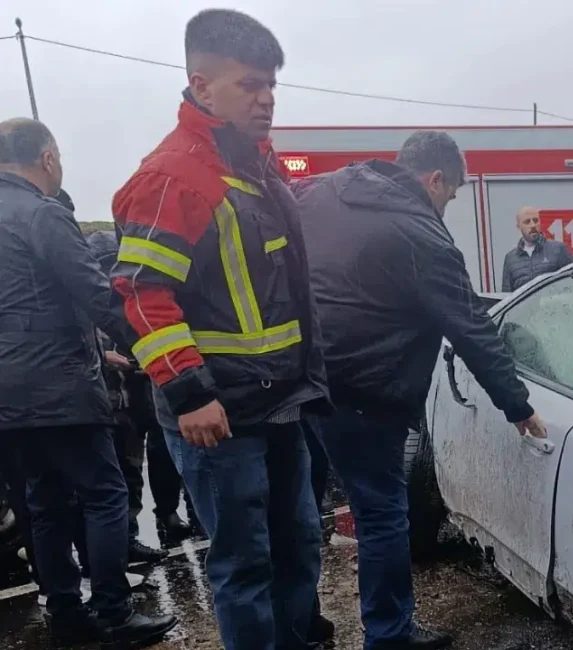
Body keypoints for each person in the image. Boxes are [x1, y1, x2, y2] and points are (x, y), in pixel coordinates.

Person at [109, 10, 332, 650]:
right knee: (245, 565)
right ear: (202, 87)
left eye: (271, 85)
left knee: (299, 544)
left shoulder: (254, 165)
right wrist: (189, 394)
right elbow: (142, 293)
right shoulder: (172, 177)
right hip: (219, 415)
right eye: (250, 85)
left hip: (279, 402)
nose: (266, 99)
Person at [295, 130, 547, 650]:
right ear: (434, 179)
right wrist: (517, 405)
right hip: (366, 396)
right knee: (382, 516)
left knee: (297, 514)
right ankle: (389, 634)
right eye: (450, 194)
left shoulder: (321, 190)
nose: (446, 205)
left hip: (298, 382)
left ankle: (299, 627)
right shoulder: (422, 234)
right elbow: (471, 327)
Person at [0, 117, 178, 648]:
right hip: (59, 384)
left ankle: (65, 614)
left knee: (45, 502)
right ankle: (114, 612)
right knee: (104, 494)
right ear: (48, 157)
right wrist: (158, 352)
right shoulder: (42, 213)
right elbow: (98, 294)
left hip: (9, 391)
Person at [86, 229, 196, 541]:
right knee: (128, 467)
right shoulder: (90, 296)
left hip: (146, 385)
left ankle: (166, 515)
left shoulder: (131, 288)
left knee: (161, 454)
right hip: (116, 396)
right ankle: (136, 530)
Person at [499, 206, 573, 291]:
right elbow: (507, 295)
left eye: (535, 220)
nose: (533, 225)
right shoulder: (510, 259)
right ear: (518, 227)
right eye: (527, 222)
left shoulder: (558, 250)